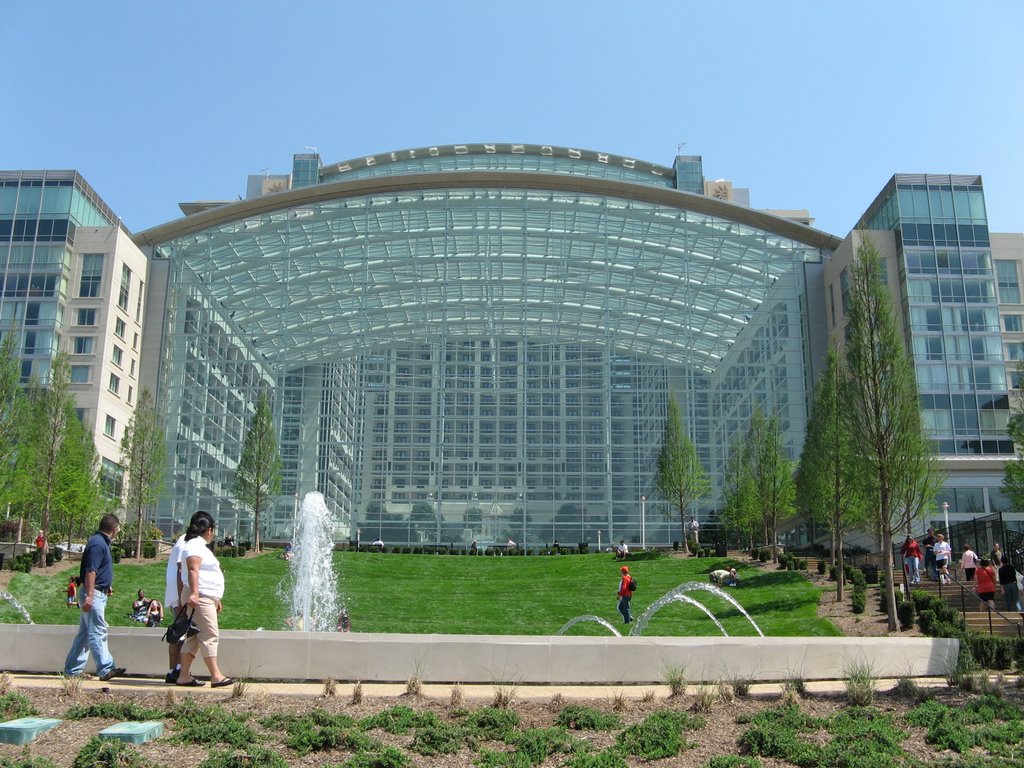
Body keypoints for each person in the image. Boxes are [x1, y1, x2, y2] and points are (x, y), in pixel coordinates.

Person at [63, 513, 125, 682]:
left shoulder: (99, 542)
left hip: (97, 591)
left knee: (84, 635)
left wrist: (106, 585)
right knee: (98, 630)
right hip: (94, 594)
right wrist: (90, 595)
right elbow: (91, 570)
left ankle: (72, 671)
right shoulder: (98, 544)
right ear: (114, 529)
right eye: (118, 529)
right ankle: (105, 669)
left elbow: (97, 570)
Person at [175, 512, 233, 688]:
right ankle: (215, 675)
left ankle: (184, 675)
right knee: (210, 634)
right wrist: (194, 593)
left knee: (193, 637)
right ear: (209, 530)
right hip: (200, 596)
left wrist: (215, 598)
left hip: (203, 596)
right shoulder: (195, 546)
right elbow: (193, 569)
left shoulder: (195, 545)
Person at [163, 522, 190, 684]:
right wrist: (181, 600)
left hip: (177, 597)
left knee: (178, 635)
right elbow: (181, 572)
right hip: (179, 598)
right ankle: (177, 670)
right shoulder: (184, 545)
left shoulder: (180, 544)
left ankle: (174, 670)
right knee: (181, 636)